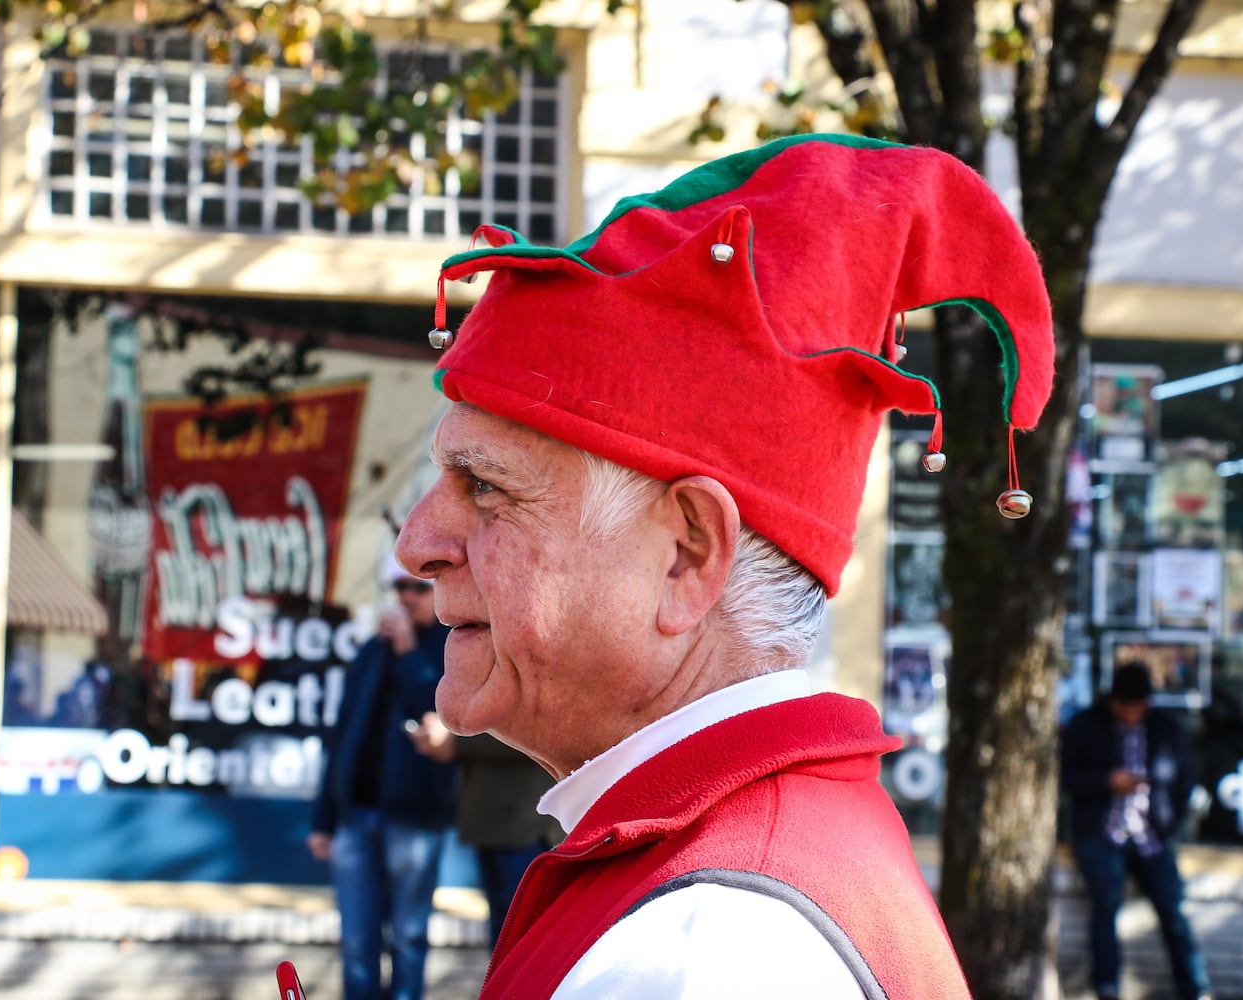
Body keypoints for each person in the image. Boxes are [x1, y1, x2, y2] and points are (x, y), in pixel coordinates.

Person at [393, 133, 1058, 996]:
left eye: (485, 487)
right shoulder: (722, 868)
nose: (418, 542)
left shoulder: (708, 948)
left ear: (686, 554)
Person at [307, 562, 456, 1000]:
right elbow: (342, 735)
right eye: (400, 588)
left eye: (418, 589)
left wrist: (409, 654)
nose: (406, 597)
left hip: (414, 817)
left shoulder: (451, 648)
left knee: (408, 938)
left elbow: (445, 716)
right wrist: (323, 819)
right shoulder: (373, 651)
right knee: (356, 942)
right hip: (355, 816)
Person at [1061, 661, 1214, 1000]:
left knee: (1172, 908)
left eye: (1138, 707)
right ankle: (1107, 986)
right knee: (1106, 905)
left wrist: (1169, 824)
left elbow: (1185, 779)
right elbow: (1066, 777)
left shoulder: (1166, 728)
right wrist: (1106, 781)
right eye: (1126, 707)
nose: (1132, 714)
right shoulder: (1086, 725)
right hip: (1102, 833)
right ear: (1113, 701)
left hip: (1152, 834)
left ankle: (1195, 987)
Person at [410, 713, 562, 943]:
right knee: (505, 941)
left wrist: (455, 739)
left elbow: (539, 730)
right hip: (497, 823)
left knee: (522, 942)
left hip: (525, 827)